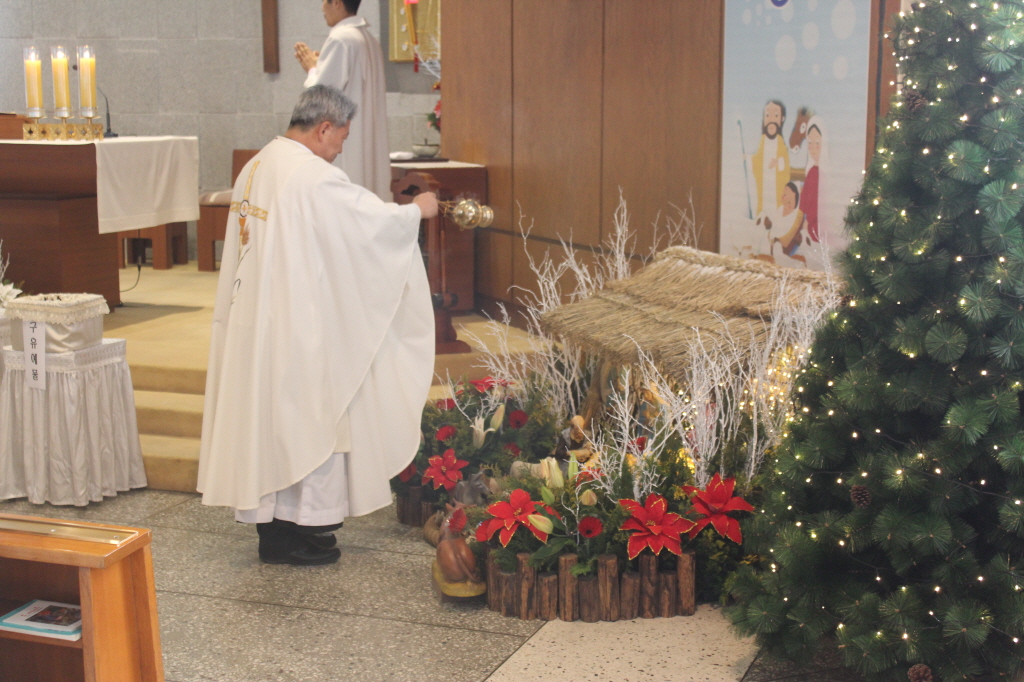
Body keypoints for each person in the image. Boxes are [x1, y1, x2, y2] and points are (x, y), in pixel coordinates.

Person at [197, 85, 438, 565]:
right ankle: (285, 536)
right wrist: (416, 212)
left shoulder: (258, 165)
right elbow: (365, 225)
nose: (341, 148)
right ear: (323, 127)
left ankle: (289, 528)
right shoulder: (309, 175)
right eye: (341, 138)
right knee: (304, 419)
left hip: (258, 321)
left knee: (273, 425)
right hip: (293, 326)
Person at [294, 0, 391, 201]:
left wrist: (312, 68)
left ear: (337, 3)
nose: (322, 7)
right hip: (367, 142)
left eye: (324, 1)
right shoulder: (370, 40)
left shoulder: (341, 39)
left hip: (347, 145)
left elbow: (321, 96)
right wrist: (323, 64)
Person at [751, 100, 791, 217]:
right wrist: (749, 159)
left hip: (776, 186)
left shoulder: (780, 142)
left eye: (776, 115)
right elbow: (757, 159)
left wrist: (778, 162)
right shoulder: (762, 140)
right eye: (768, 115)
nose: (771, 119)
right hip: (764, 183)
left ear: (782, 119)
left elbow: (786, 163)